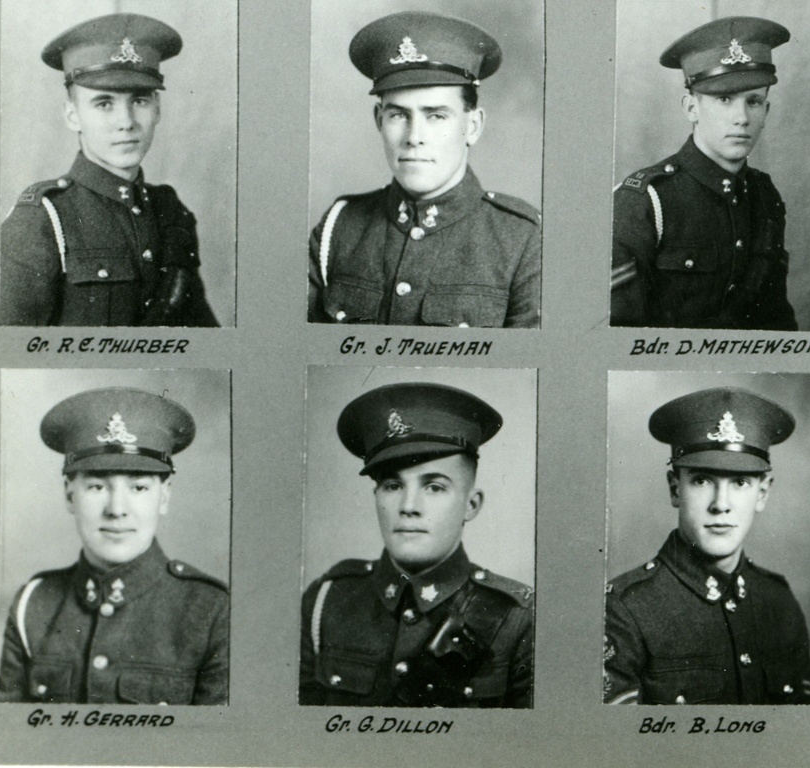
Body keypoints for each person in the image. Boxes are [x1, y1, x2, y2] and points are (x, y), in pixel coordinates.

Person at [300, 383, 534, 707]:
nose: (409, 506)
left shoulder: (520, 619)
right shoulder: (325, 602)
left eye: (434, 487)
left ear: (472, 505)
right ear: (376, 497)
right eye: (393, 485)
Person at [308, 11, 541, 328]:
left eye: (436, 116)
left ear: (472, 126)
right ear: (379, 120)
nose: (414, 138)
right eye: (398, 115)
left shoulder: (523, 240)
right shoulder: (339, 229)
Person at [0, 388, 228, 705]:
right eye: (96, 486)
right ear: (69, 494)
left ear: (164, 495)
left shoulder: (213, 612)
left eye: (138, 487)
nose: (117, 508)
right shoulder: (33, 605)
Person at [604, 387, 810, 705]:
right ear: (675, 488)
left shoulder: (779, 602)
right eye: (702, 480)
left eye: (740, 483)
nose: (721, 505)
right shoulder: (624, 609)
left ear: (762, 493)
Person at [0, 13, 218, 327]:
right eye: (104, 104)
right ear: (72, 115)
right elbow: (4, 352)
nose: (126, 121)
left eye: (140, 100)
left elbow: (203, 338)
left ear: (158, 109)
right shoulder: (41, 220)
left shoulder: (170, 212)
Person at [610, 16, 797, 330]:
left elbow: (778, 322)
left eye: (753, 101)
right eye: (723, 99)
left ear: (766, 112)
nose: (741, 118)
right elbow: (618, 332)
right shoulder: (646, 200)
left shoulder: (765, 195)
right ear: (690, 108)